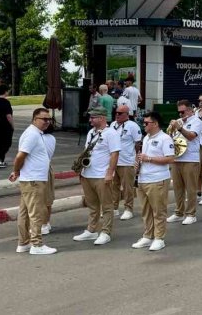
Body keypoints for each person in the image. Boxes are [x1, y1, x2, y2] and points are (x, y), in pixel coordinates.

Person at [10, 108, 57, 255]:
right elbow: (20, 156)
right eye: (44, 119)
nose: (47, 122)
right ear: (34, 119)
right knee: (36, 213)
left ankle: (23, 243)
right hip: (34, 180)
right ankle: (36, 244)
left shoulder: (36, 133)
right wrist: (16, 171)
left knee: (25, 212)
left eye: (49, 119)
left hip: (32, 178)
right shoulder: (32, 134)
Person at [73, 108, 121, 245]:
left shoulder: (111, 133)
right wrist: (81, 169)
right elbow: (87, 151)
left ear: (101, 118)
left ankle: (106, 232)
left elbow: (114, 154)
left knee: (107, 206)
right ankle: (91, 230)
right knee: (92, 205)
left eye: (93, 117)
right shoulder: (91, 132)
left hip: (101, 175)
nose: (90, 120)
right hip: (87, 174)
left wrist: (110, 173)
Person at [132, 111, 174, 251]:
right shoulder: (146, 138)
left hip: (157, 179)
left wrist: (148, 159)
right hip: (143, 178)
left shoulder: (165, 139)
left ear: (155, 124)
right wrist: (138, 163)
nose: (143, 125)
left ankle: (159, 238)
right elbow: (143, 157)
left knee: (158, 210)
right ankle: (148, 235)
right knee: (146, 210)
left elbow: (170, 158)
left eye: (146, 123)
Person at [166, 100, 201, 225]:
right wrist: (171, 131)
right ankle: (179, 213)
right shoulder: (178, 121)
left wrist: (179, 128)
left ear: (190, 110)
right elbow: (170, 138)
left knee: (191, 188)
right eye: (179, 112)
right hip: (177, 158)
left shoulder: (196, 121)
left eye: (183, 112)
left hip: (190, 158)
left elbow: (191, 136)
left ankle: (191, 214)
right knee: (177, 188)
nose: (180, 114)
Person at [110, 106, 142, 221]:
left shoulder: (132, 126)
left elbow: (138, 143)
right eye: (116, 113)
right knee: (113, 186)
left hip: (127, 162)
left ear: (127, 114)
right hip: (114, 161)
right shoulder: (112, 125)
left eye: (120, 113)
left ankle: (128, 209)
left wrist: (137, 159)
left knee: (127, 187)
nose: (117, 115)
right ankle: (114, 208)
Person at [0, 85, 14, 168]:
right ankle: (1, 160)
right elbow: (8, 116)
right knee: (7, 143)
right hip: (5, 126)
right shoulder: (6, 102)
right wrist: (12, 125)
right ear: (5, 92)